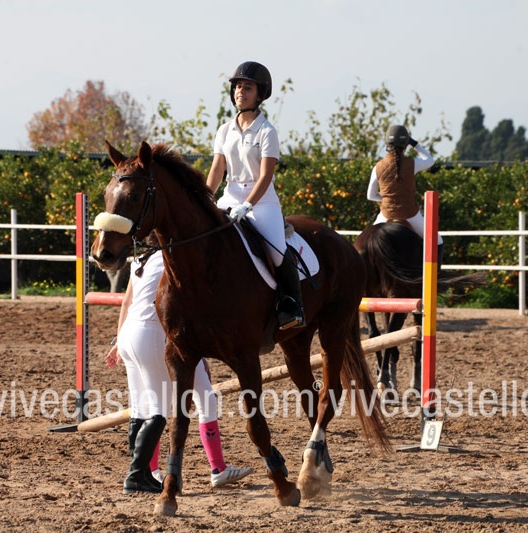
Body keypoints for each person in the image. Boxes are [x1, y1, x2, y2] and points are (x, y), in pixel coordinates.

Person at [105, 243, 253, 493]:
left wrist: (120, 339)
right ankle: (142, 473)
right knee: (158, 410)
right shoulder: (172, 256)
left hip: (134, 333)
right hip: (159, 335)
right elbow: (189, 303)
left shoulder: (139, 258)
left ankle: (214, 469)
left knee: (161, 404)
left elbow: (127, 302)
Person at [206, 60, 304, 330]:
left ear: (260, 94)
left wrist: (248, 205)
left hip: (261, 202)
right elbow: (217, 170)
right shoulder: (224, 130)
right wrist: (204, 197)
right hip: (229, 196)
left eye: (247, 87)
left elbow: (265, 176)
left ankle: (291, 304)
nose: (241, 91)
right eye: (238, 86)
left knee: (276, 251)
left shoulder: (267, 131)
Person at [366, 124, 443, 260]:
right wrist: (414, 144)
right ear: (406, 144)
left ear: (387, 144)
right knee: (437, 240)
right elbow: (430, 161)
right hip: (410, 215)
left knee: (366, 242)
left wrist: (387, 199)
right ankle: (436, 272)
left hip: (386, 215)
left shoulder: (377, 167)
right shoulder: (413, 163)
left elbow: (370, 195)